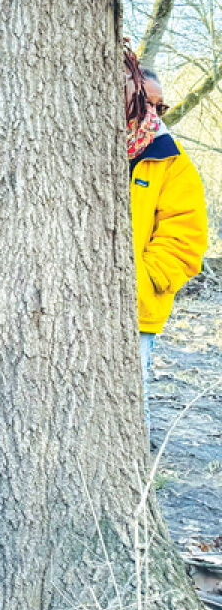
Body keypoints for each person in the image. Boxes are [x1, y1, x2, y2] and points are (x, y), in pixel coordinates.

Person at [126, 58, 207, 428]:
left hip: (138, 309)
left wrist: (143, 280)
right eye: (145, 102)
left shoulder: (170, 158)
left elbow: (186, 237)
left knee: (130, 396)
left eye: (161, 106)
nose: (153, 113)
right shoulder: (85, 152)